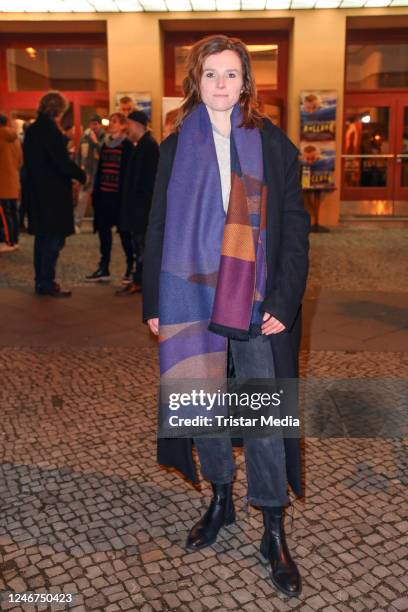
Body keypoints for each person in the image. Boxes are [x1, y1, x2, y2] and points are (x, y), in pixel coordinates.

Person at [143, 35, 310, 598]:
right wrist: (155, 305)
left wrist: (284, 303)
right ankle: (220, 498)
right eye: (210, 74)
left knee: (264, 417)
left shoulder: (274, 145)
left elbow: (295, 232)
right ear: (196, 81)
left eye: (231, 74)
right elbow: (159, 226)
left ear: (246, 83)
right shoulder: (174, 146)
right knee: (205, 405)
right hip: (191, 299)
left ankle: (272, 526)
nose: (220, 84)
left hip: (257, 301)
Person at [23, 91, 86, 297]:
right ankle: (47, 282)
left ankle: (41, 281)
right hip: (52, 196)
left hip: (37, 193)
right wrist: (81, 175)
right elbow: (60, 162)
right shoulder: (49, 130)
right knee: (53, 240)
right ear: (58, 110)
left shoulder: (33, 130)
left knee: (42, 239)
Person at [85, 112, 134, 283]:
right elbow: (101, 170)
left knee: (125, 234)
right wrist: (95, 192)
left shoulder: (128, 146)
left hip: (119, 198)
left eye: (114, 122)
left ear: (122, 126)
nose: (111, 124)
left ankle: (131, 267)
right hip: (104, 196)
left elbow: (129, 175)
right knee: (104, 234)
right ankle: (103, 267)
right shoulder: (105, 144)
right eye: (110, 122)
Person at [115, 110, 159, 296]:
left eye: (128, 124)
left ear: (136, 124)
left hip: (142, 209)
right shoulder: (141, 145)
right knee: (139, 245)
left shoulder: (148, 146)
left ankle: (142, 282)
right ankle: (139, 280)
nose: (127, 128)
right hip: (139, 208)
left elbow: (148, 182)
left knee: (142, 247)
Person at [75, 114, 105, 230]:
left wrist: (95, 141)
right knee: (82, 199)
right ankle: (77, 224)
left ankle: (99, 225)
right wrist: (79, 169)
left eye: (96, 124)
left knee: (99, 201)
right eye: (92, 124)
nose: (93, 127)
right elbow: (78, 154)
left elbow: (103, 152)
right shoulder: (84, 138)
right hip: (87, 174)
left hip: (100, 174)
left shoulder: (104, 137)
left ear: (100, 125)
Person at [0, 113, 23, 252]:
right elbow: (20, 161)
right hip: (14, 180)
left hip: (2, 182)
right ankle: (15, 240)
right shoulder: (15, 138)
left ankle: (8, 241)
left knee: (4, 213)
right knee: (13, 212)